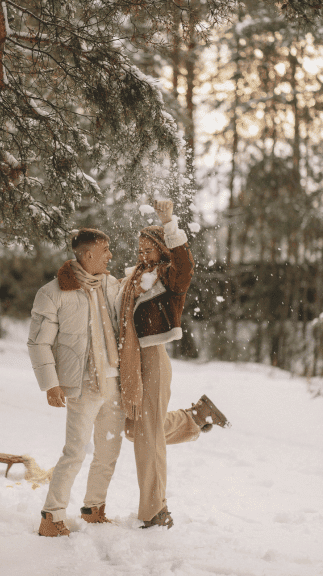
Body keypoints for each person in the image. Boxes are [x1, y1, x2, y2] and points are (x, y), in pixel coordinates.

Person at [117, 200, 230, 530]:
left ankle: (155, 510)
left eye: (149, 249)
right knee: (135, 429)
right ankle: (195, 418)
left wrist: (169, 223)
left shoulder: (168, 278)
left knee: (147, 437)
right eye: (140, 248)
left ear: (162, 249)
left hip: (153, 360)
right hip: (134, 361)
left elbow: (186, 266)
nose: (142, 254)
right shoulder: (135, 279)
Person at [27, 228, 125, 537]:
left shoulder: (111, 285)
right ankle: (51, 515)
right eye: (105, 250)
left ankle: (93, 508)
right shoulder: (53, 292)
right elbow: (38, 344)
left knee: (108, 452)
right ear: (87, 255)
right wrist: (51, 384)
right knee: (74, 453)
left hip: (114, 382)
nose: (110, 255)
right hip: (83, 385)